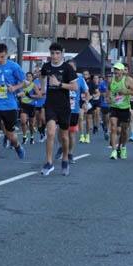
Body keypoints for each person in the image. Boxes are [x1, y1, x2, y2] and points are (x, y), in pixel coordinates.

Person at [0, 43, 27, 176]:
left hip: (9, 106)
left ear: (7, 55)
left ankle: (17, 145)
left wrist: (14, 88)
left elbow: (25, 82)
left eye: (2, 57)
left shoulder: (14, 66)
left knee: (10, 134)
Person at [37, 43, 79, 176]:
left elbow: (74, 87)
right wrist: (43, 89)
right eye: (52, 54)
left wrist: (59, 84)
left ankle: (65, 158)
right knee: (50, 133)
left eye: (57, 54)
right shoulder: (47, 66)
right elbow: (42, 76)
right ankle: (49, 163)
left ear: (61, 54)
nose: (54, 56)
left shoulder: (67, 68)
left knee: (64, 137)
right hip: (50, 104)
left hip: (64, 106)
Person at [107, 62, 133, 160]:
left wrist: (127, 92)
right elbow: (108, 90)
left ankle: (123, 147)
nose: (116, 71)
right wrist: (108, 97)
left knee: (124, 130)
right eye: (115, 69)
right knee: (113, 126)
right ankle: (114, 151)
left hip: (124, 108)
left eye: (118, 70)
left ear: (122, 71)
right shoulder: (111, 81)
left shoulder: (128, 80)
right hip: (114, 107)